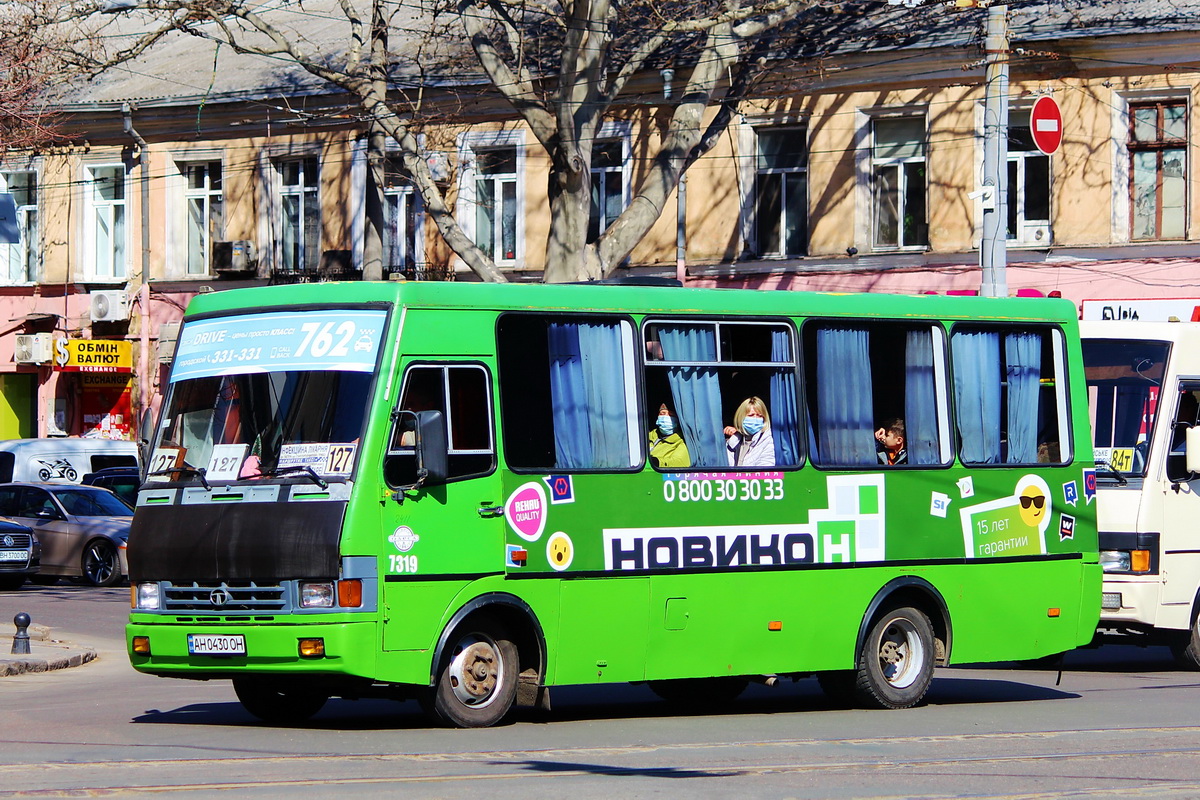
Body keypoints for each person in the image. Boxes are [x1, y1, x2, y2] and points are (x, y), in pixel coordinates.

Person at [724, 396, 775, 467]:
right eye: (751, 415)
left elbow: (765, 467)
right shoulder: (734, 441)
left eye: (759, 416)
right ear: (741, 417)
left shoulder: (768, 440)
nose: (755, 419)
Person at [649, 403, 691, 468]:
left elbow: (680, 462)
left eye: (670, 415)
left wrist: (657, 462)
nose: (666, 417)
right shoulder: (648, 436)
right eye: (662, 414)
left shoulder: (682, 441)